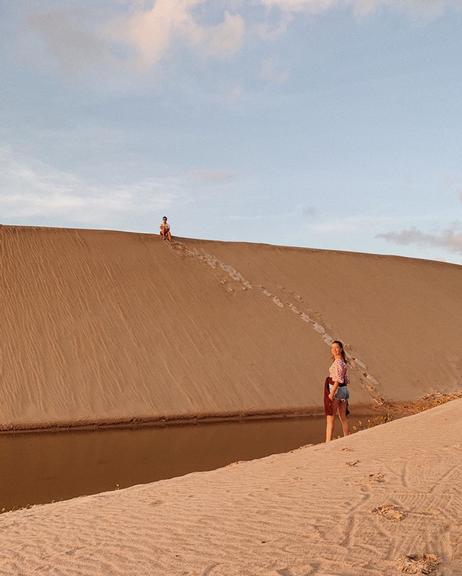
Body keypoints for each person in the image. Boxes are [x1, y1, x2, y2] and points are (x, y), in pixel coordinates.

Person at [324, 340, 350, 442]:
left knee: (330, 419)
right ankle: (347, 438)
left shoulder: (338, 362)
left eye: (337, 347)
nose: (334, 350)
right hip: (343, 390)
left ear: (341, 349)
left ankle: (328, 443)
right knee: (343, 417)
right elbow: (345, 379)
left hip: (336, 390)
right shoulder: (342, 361)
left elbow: (338, 380)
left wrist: (331, 393)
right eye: (332, 348)